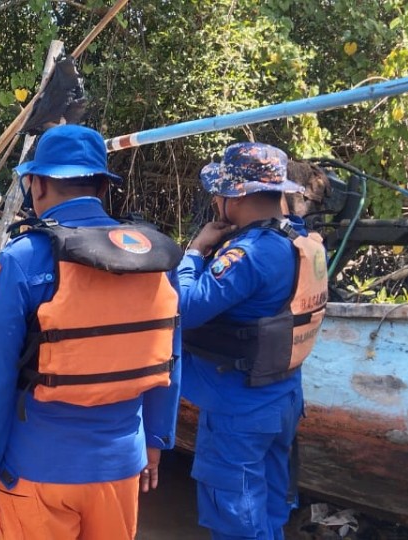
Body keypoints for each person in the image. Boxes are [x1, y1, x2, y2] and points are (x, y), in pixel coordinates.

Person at [0, 124, 182, 540]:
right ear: (103, 187)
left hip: (39, 468)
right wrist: (156, 441)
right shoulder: (152, 257)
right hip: (120, 467)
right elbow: (168, 359)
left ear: (38, 184)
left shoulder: (23, 257)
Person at [178, 143, 327, 540]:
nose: (215, 200)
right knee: (271, 511)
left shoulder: (250, 254)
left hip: (240, 409)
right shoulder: (299, 238)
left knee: (237, 522)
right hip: (283, 398)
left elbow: (182, 308)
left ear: (236, 196)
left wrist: (195, 252)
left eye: (219, 192)